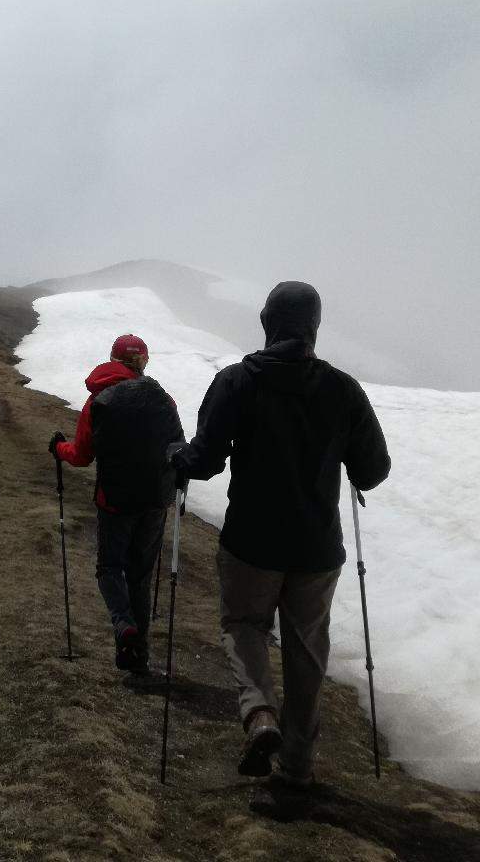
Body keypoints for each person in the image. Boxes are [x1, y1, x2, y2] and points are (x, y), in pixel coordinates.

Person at [169, 281, 390, 790]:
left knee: (244, 625)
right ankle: (296, 769)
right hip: (316, 550)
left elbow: (204, 459)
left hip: (252, 541)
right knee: (306, 651)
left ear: (267, 322)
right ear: (313, 326)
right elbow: (373, 469)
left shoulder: (237, 381)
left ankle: (259, 716)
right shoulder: (342, 389)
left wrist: (176, 456)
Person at [49, 334, 184, 677]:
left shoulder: (98, 400)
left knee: (109, 569)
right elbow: (176, 447)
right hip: (154, 502)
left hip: (114, 503)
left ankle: (124, 628)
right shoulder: (161, 397)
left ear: (113, 358)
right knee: (139, 575)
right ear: (143, 361)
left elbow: (81, 456)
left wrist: (59, 449)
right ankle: (139, 658)